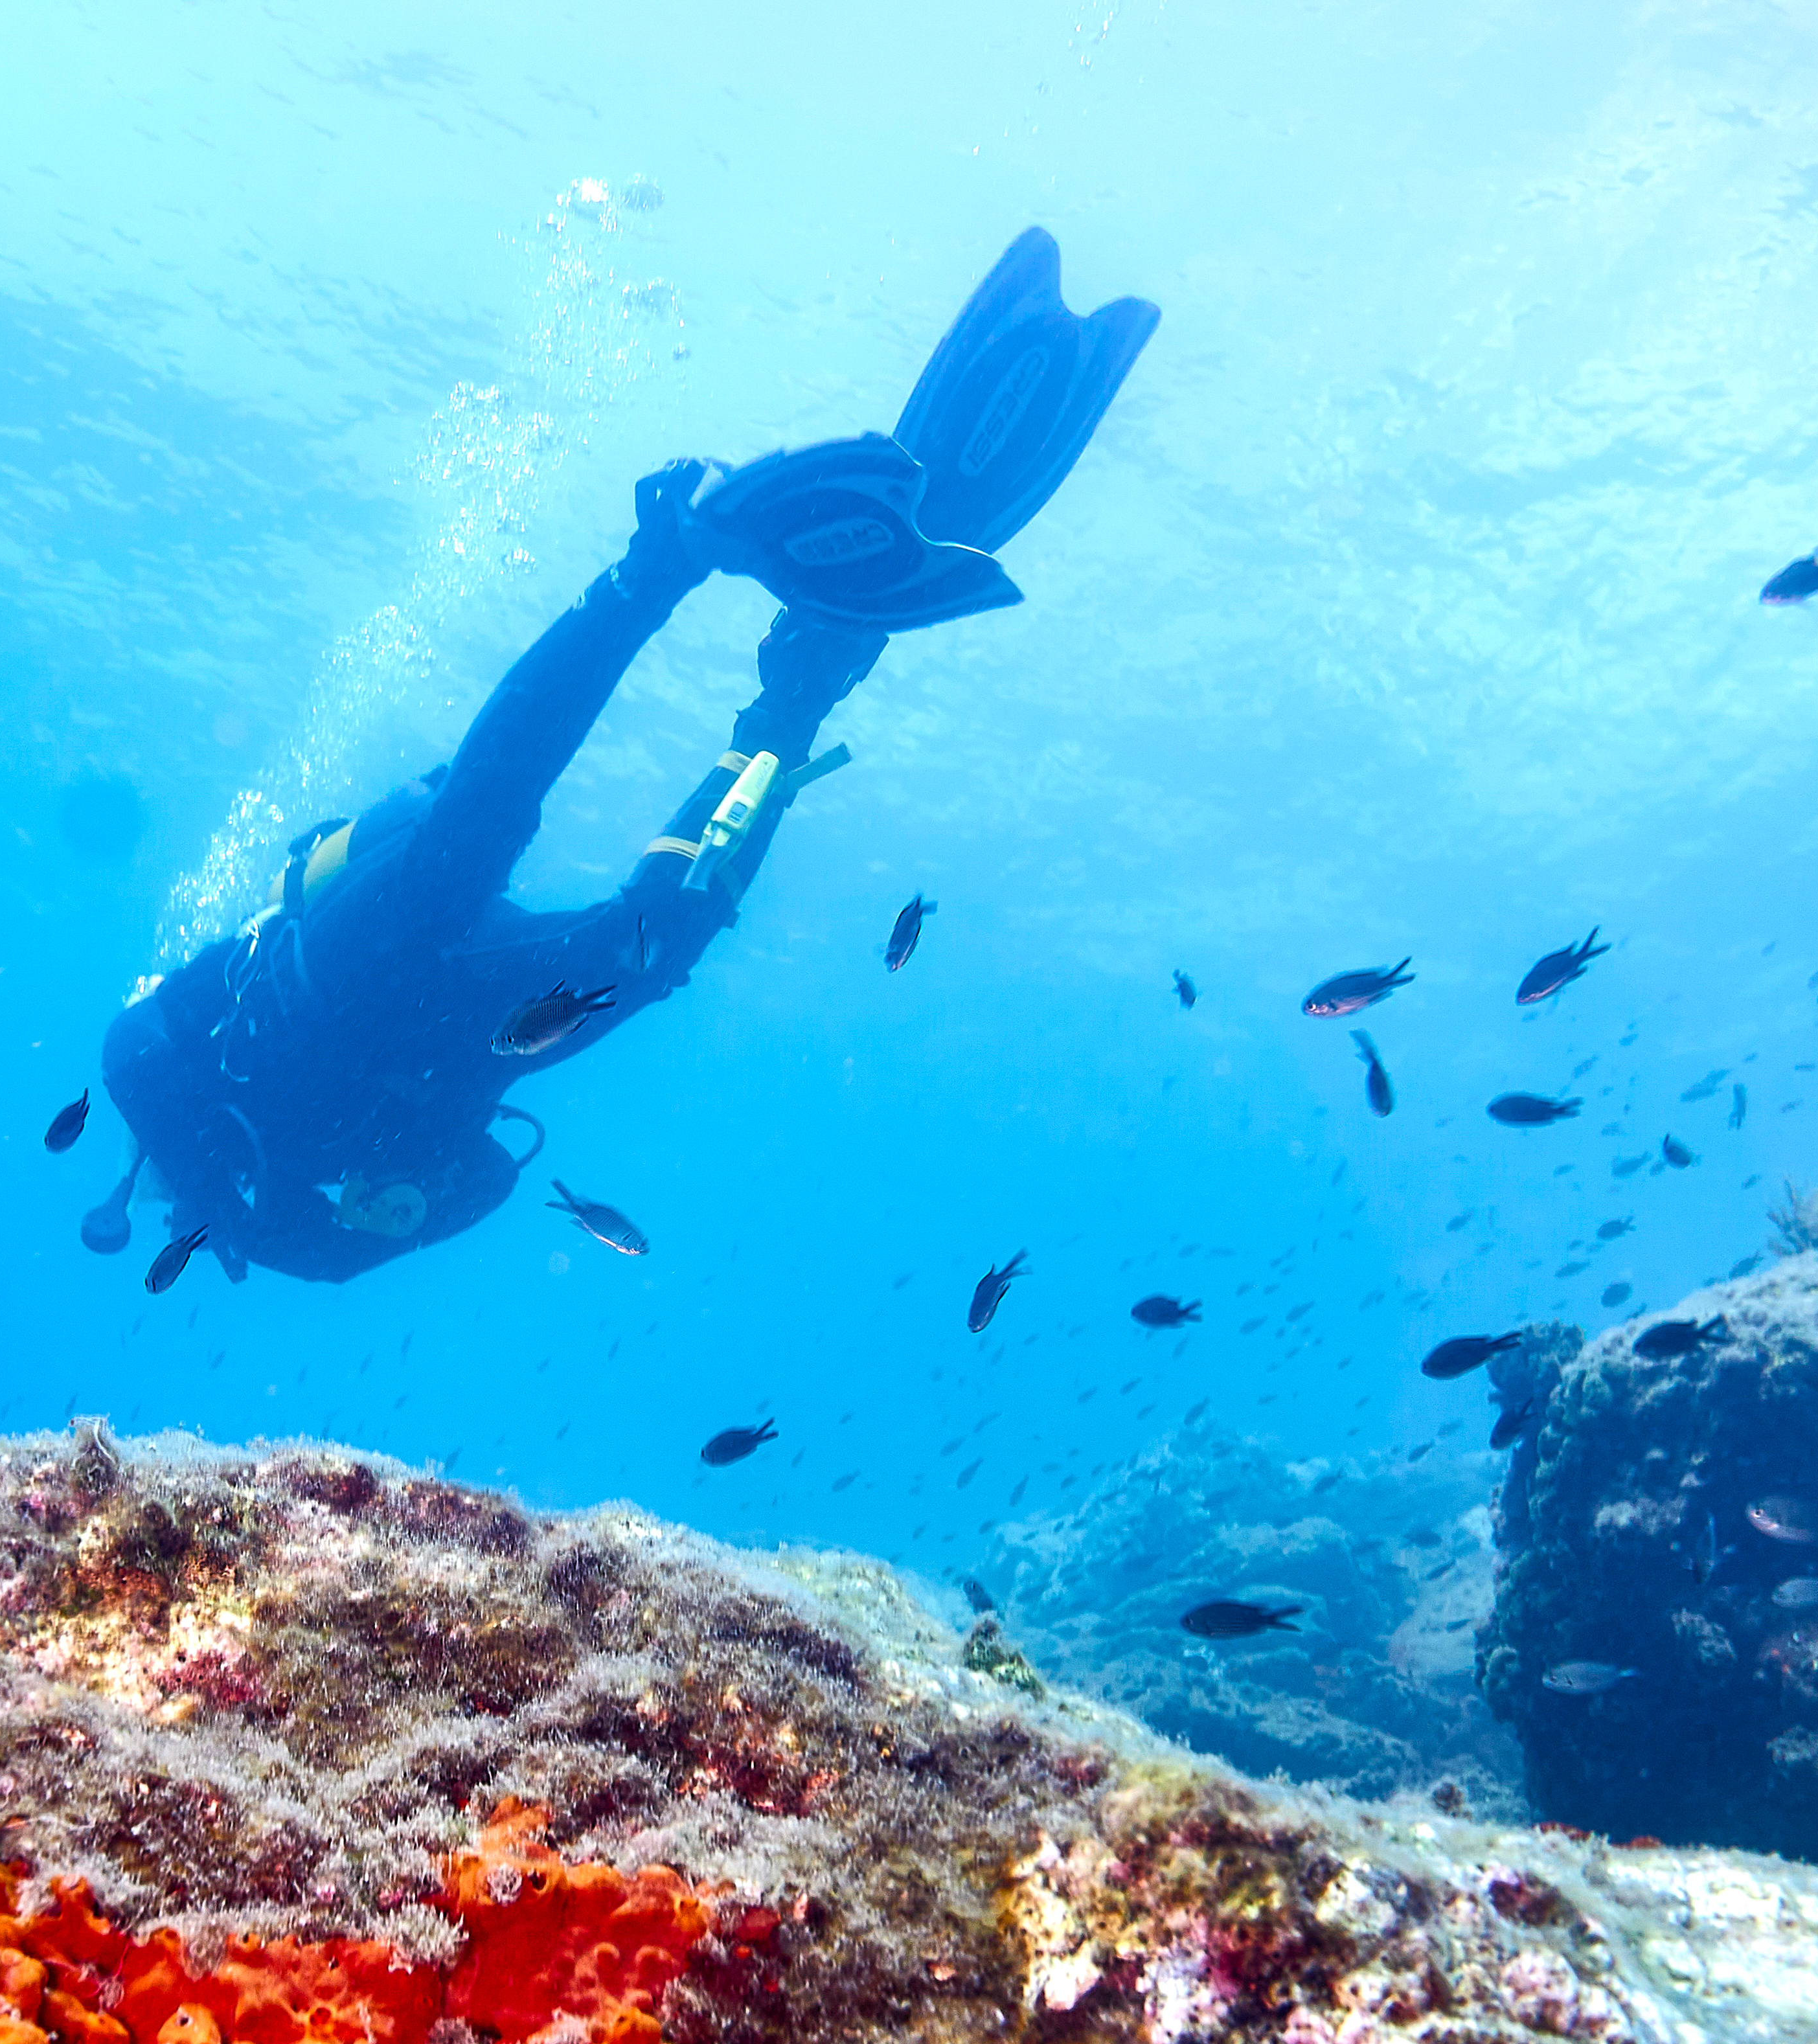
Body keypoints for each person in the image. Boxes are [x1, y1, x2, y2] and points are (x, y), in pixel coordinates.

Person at [85, 231, 1157, 1284]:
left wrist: (242, 1194)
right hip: (458, 1045)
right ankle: (796, 699)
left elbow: (137, 1044)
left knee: (475, 829)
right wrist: (386, 1206)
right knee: (656, 948)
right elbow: (482, 1184)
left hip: (331, 969)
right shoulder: (283, 1232)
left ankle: (656, 566)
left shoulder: (165, 1100)